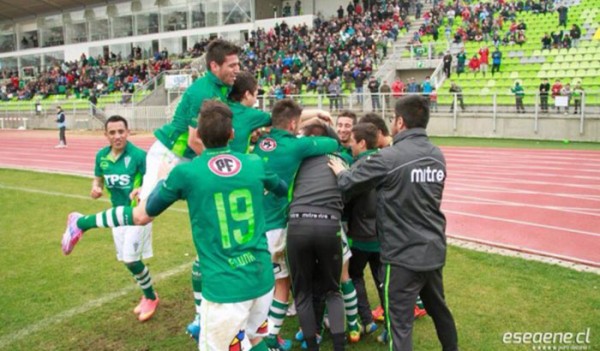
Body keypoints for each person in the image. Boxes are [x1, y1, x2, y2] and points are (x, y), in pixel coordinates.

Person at [63, 101, 288, 351]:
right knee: (255, 339)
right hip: (260, 275)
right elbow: (280, 189)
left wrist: (160, 180)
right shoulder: (254, 163)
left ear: (198, 136)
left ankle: (80, 222)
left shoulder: (187, 174)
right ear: (232, 134)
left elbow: (141, 216)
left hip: (226, 286)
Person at [328, 95, 459, 351]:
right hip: (432, 250)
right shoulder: (437, 155)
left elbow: (347, 183)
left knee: (400, 325)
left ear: (400, 121)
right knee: (440, 311)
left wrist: (340, 170)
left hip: (401, 256)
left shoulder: (390, 157)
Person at [251, 99, 339, 350]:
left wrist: (311, 117)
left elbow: (286, 119)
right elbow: (331, 143)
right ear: (292, 124)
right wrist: (320, 123)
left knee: (257, 279)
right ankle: (271, 336)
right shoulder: (296, 146)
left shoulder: (260, 142)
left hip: (253, 223)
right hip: (275, 224)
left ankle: (253, 331)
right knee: (281, 283)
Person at [87, 115, 158, 322]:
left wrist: (141, 188)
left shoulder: (138, 156)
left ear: (128, 132)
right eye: (112, 132)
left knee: (131, 259)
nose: (117, 136)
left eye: (121, 131)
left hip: (137, 214)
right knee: (128, 260)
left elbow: (152, 182)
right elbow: (98, 178)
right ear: (106, 135)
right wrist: (96, 187)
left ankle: (151, 297)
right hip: (116, 217)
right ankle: (148, 295)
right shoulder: (102, 156)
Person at [286, 123, 347, 351]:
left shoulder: (295, 159)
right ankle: (339, 347)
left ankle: (312, 346)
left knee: (302, 292)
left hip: (298, 223)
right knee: (333, 289)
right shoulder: (340, 160)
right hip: (329, 225)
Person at [344, 122, 383, 339]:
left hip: (360, 235)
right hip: (383, 234)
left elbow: (346, 198)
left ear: (361, 142)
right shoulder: (388, 161)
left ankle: (367, 320)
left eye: (352, 142)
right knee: (381, 277)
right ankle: (391, 325)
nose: (350, 146)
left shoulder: (356, 168)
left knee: (355, 275)